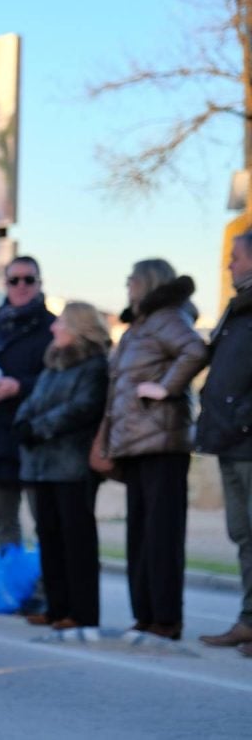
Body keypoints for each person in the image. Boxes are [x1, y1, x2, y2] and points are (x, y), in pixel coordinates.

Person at [97, 259, 206, 640]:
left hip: (163, 441)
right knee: (140, 534)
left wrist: (165, 388)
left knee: (162, 534)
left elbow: (195, 350)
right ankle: (145, 615)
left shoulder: (166, 318)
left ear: (147, 282)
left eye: (132, 279)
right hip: (136, 443)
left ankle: (166, 618)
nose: (127, 285)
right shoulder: (141, 323)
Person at [14, 302, 111, 630]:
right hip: (41, 465)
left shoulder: (95, 366)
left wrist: (37, 428)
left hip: (72, 466)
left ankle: (82, 612)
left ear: (78, 328)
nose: (53, 328)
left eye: (61, 322)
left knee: (76, 541)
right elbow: (31, 402)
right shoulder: (53, 363)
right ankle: (56, 608)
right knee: (50, 537)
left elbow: (82, 408)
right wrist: (22, 423)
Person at [0, 256, 54, 612]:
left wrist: (18, 385)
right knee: (2, 517)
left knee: (43, 519)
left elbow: (56, 380)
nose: (20, 286)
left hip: (32, 434)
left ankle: (46, 592)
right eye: (13, 280)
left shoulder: (51, 327)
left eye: (27, 280)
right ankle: (8, 589)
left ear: (38, 283)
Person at [197, 231, 252, 654]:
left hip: (245, 438)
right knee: (243, 533)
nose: (229, 265)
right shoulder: (237, 309)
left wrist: (242, 418)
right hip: (230, 440)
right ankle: (248, 621)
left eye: (236, 258)